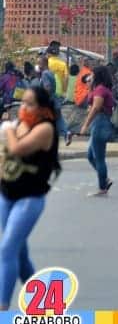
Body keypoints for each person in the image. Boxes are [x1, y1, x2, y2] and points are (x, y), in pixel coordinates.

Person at [0, 85, 61, 311]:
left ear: (43, 108)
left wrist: (6, 130)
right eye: (22, 103)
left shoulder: (45, 128)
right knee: (20, 254)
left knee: (7, 250)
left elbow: (17, 149)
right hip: (7, 195)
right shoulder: (20, 124)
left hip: (29, 199)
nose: (23, 108)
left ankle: (2, 309)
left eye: (30, 104)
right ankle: (43, 303)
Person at [79, 66, 115, 197]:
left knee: (99, 157)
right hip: (99, 123)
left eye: (92, 75)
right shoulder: (98, 89)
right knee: (90, 155)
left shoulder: (100, 90)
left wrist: (85, 125)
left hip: (100, 123)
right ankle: (105, 179)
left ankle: (102, 187)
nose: (90, 77)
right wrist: (89, 88)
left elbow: (95, 107)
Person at [36, 56, 71, 146]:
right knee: (59, 119)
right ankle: (67, 133)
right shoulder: (51, 73)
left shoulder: (44, 74)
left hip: (48, 102)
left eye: (39, 63)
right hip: (55, 101)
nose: (38, 65)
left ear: (44, 63)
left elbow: (47, 88)